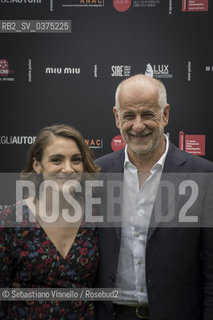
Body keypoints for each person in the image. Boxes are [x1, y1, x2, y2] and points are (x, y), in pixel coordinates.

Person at [95, 74, 213, 320]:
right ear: (117, 117)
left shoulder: (203, 175)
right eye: (129, 116)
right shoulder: (97, 173)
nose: (138, 126)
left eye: (148, 114)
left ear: (165, 114)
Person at [0, 124, 100, 320]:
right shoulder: (10, 219)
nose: (68, 168)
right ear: (37, 165)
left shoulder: (96, 217)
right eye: (56, 160)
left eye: (76, 160)